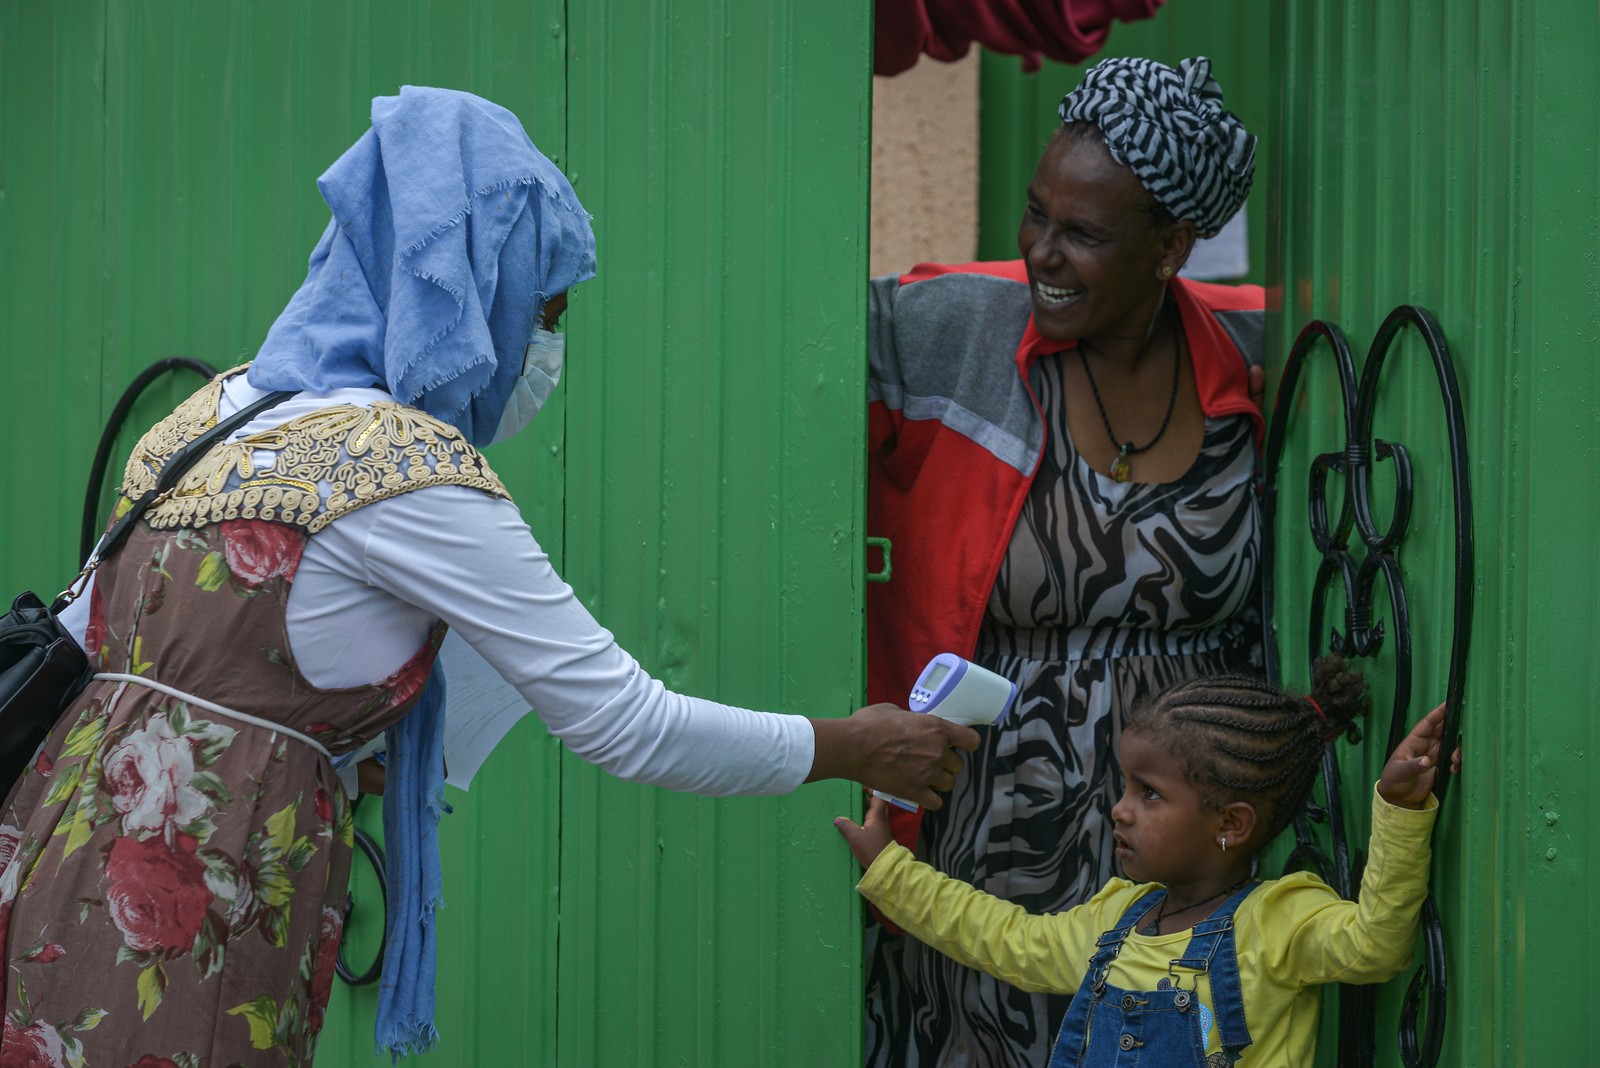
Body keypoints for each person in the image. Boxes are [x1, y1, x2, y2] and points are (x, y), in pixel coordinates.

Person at [0, 86, 978, 1067]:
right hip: (181, 931)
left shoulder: (216, 411)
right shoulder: (405, 469)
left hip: (43, 876)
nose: (544, 347)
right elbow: (626, 724)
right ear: (468, 289)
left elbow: (133, 658)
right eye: (542, 310)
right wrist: (848, 746)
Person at [863, 54, 1267, 1064]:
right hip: (989, 826)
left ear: (1171, 245)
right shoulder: (952, 327)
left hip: (1187, 848)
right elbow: (769, 359)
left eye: (1083, 233)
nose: (1043, 250)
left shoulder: (1254, 357)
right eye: (1036, 213)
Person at [837, 659, 1457, 1066]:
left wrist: (1398, 810)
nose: (1119, 810)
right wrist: (892, 871)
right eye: (1126, 787)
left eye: (1149, 794)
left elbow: (1378, 944)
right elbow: (1005, 940)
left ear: (1230, 824)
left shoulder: (1277, 920)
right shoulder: (1119, 920)